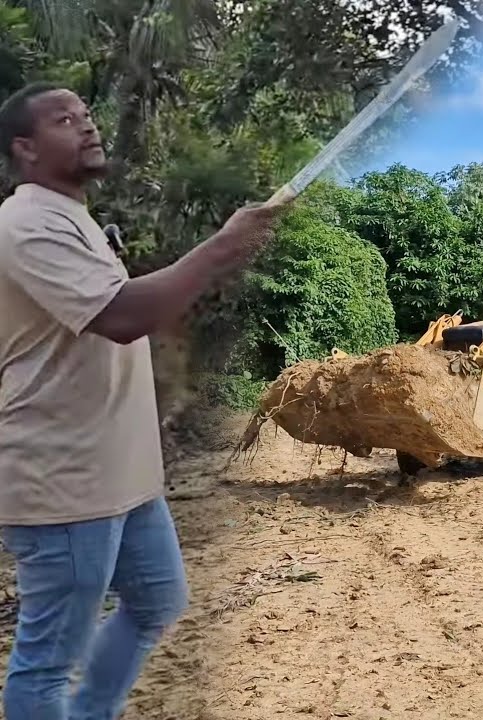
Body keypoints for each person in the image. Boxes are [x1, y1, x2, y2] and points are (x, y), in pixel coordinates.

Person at [0, 82, 291, 719]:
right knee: (47, 663)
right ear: (25, 148)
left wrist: (224, 249)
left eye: (86, 113)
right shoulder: (23, 225)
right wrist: (224, 246)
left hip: (122, 476)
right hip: (65, 482)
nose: (86, 124)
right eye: (64, 119)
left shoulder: (70, 217)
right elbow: (124, 315)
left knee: (157, 601)